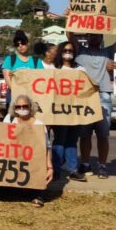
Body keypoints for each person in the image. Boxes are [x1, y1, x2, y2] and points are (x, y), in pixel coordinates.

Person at [66, 12, 116, 177]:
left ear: (102, 37)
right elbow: (70, 35)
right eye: (91, 35)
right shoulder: (79, 50)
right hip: (84, 98)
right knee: (85, 135)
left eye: (97, 35)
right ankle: (86, 164)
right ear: (87, 37)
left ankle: (102, 166)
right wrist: (69, 18)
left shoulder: (108, 52)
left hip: (103, 96)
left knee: (103, 135)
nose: (94, 38)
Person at [5, 92, 53, 207]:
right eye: (18, 107)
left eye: (25, 106)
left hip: (32, 161)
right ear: (14, 108)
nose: (22, 109)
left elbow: (46, 147)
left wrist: (50, 167)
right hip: (14, 159)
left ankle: (37, 196)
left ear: (30, 107)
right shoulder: (10, 120)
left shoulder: (39, 124)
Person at [50, 43, 85, 182]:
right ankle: (56, 170)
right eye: (65, 50)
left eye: (71, 50)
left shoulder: (81, 69)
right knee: (60, 140)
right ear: (60, 52)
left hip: (75, 110)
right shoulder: (54, 68)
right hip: (59, 111)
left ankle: (73, 169)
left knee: (72, 140)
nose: (68, 52)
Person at [0, 30, 41, 115]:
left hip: (33, 99)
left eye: (22, 43)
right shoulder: (10, 60)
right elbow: (9, 82)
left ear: (28, 43)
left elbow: (41, 79)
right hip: (14, 98)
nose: (20, 46)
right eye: (17, 44)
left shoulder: (36, 61)